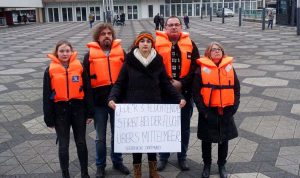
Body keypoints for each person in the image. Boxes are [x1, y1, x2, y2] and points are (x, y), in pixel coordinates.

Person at [107, 31, 186, 178]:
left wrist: (179, 97)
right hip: (135, 107)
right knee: (137, 142)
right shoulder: (129, 61)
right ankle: (137, 172)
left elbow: (166, 84)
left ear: (152, 44)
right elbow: (119, 83)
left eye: (148, 41)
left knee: (152, 141)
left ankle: (153, 171)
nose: (145, 44)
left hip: (153, 106)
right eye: (142, 41)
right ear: (138, 43)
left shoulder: (158, 61)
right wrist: (112, 98)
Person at [83, 23, 130, 178]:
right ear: (98, 36)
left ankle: (117, 161)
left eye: (109, 33)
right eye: (103, 33)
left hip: (118, 102)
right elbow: (86, 84)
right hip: (99, 103)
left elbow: (129, 77)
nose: (107, 36)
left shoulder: (121, 52)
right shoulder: (89, 56)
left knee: (118, 135)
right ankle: (100, 165)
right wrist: (88, 108)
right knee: (100, 138)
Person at [43, 40, 94, 178]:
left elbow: (88, 91)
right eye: (61, 51)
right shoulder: (49, 70)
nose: (65, 54)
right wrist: (48, 118)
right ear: (57, 53)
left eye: (67, 51)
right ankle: (65, 174)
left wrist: (90, 112)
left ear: (72, 52)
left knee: (81, 142)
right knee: (63, 145)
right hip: (60, 112)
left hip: (78, 110)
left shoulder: (80, 67)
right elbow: (46, 96)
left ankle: (85, 173)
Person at [155, 16, 200, 171]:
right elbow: (153, 68)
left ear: (181, 27)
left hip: (185, 93)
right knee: (164, 127)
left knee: (184, 127)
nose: (174, 27)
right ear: (165, 27)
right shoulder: (156, 44)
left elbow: (196, 67)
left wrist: (182, 83)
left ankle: (182, 157)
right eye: (170, 25)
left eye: (176, 25)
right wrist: (168, 84)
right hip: (164, 94)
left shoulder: (191, 44)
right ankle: (163, 157)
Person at [192, 42, 240, 178]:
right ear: (208, 53)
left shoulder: (229, 68)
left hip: (226, 110)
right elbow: (196, 93)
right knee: (206, 140)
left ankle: (221, 165)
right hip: (208, 111)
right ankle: (207, 165)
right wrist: (204, 112)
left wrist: (234, 107)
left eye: (219, 49)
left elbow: (236, 89)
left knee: (224, 139)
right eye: (213, 50)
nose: (217, 51)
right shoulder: (200, 69)